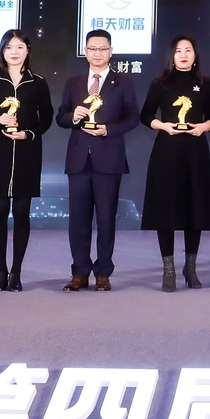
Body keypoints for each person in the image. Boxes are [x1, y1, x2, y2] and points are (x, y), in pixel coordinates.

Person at [57, 29, 142, 292]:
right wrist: (73, 116)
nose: (97, 53)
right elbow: (60, 117)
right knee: (78, 220)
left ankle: (103, 272)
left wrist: (108, 130)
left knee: (106, 219)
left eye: (102, 49)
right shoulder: (73, 82)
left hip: (109, 158)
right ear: (85, 51)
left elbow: (133, 117)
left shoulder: (123, 82)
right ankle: (79, 272)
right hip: (78, 160)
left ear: (111, 52)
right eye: (92, 49)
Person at [0, 29, 54, 292]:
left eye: (20, 47)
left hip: (27, 152)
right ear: (2, 51)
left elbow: (46, 117)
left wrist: (29, 133)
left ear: (28, 51)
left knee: (22, 212)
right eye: (9, 47)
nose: (14, 51)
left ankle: (17, 272)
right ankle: (1, 270)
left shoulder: (38, 82)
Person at [141, 36, 210, 292]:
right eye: (178, 51)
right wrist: (163, 126)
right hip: (167, 153)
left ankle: (191, 268)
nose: (183, 54)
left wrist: (205, 126)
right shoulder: (160, 83)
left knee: (195, 208)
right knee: (166, 210)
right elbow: (145, 115)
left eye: (188, 50)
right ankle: (169, 269)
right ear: (171, 56)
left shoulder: (205, 83)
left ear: (195, 55)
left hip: (195, 152)